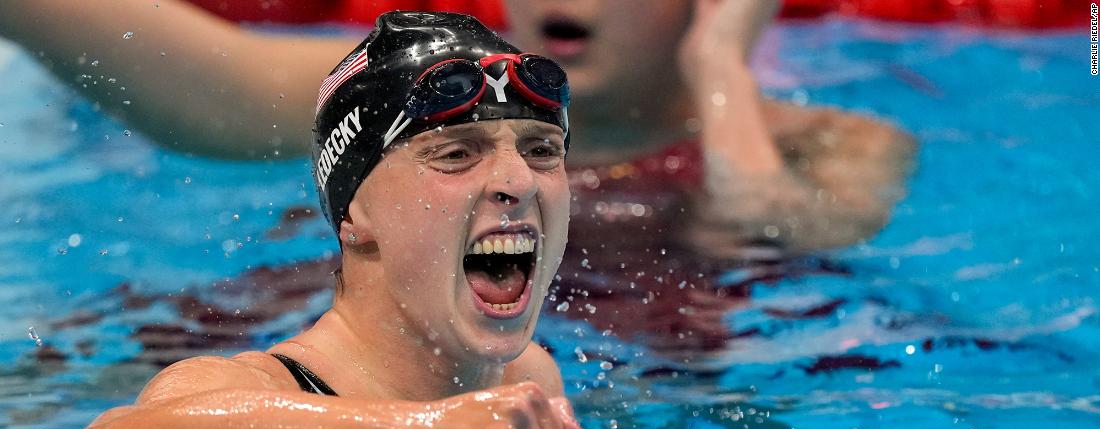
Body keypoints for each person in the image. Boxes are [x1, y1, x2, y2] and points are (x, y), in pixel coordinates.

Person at [61, 13, 839, 429]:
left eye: (540, 150)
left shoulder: (519, 380)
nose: (516, 181)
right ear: (353, 210)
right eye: (456, 154)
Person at [1, 0, 912, 253]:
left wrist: (720, 65)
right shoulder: (423, 91)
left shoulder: (827, 140)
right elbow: (208, 94)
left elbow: (778, 235)